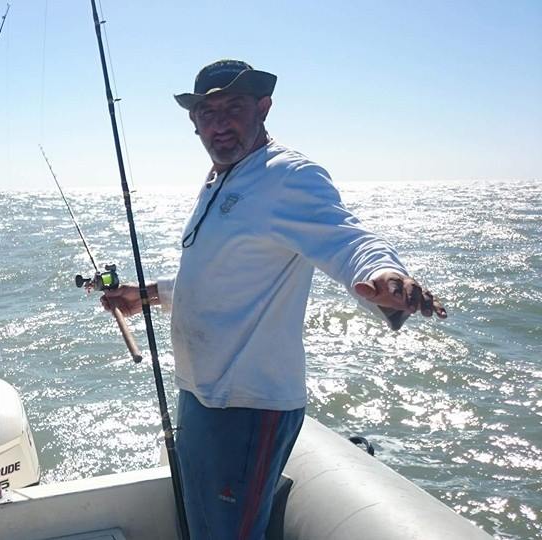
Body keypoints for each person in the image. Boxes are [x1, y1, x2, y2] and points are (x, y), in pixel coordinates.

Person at [102, 59, 448, 539]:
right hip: (202, 393)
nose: (220, 124)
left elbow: (348, 238)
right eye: (207, 113)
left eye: (234, 108)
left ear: (263, 108)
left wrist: (382, 273)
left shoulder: (288, 175)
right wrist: (146, 295)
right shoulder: (221, 179)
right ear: (194, 122)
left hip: (248, 405)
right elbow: (219, 278)